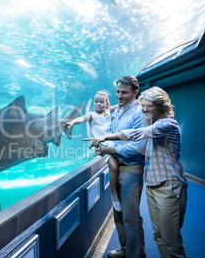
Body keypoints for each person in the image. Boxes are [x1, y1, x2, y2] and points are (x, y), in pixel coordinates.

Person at [85, 86, 188, 258]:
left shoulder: (167, 123)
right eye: (144, 105)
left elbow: (138, 133)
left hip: (169, 187)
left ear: (161, 106)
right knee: (159, 237)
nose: (145, 109)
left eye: (150, 105)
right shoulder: (153, 122)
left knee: (172, 243)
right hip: (153, 187)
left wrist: (105, 138)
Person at [92, 75, 147, 258]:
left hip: (131, 169)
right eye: (117, 92)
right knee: (118, 214)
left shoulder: (140, 113)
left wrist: (109, 148)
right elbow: (109, 132)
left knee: (131, 217)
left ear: (135, 93)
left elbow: (137, 148)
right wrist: (102, 143)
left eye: (124, 92)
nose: (120, 96)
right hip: (117, 166)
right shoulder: (116, 111)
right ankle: (125, 250)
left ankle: (136, 255)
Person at [64, 91, 122, 212]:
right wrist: (73, 122)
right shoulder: (91, 115)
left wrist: (132, 102)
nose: (98, 104)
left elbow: (119, 105)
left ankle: (119, 190)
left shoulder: (108, 111)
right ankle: (114, 196)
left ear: (107, 104)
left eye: (101, 102)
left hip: (113, 143)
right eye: (96, 101)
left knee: (122, 164)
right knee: (114, 166)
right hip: (101, 146)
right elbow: (81, 118)